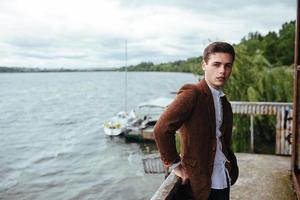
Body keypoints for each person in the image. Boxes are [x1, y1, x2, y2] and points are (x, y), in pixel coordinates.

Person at [154, 42, 239, 200]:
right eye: (216, 64)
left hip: (224, 177)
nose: (222, 71)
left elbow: (222, 140)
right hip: (201, 183)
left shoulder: (224, 102)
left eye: (228, 66)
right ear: (204, 65)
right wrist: (175, 165)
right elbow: (162, 129)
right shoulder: (193, 93)